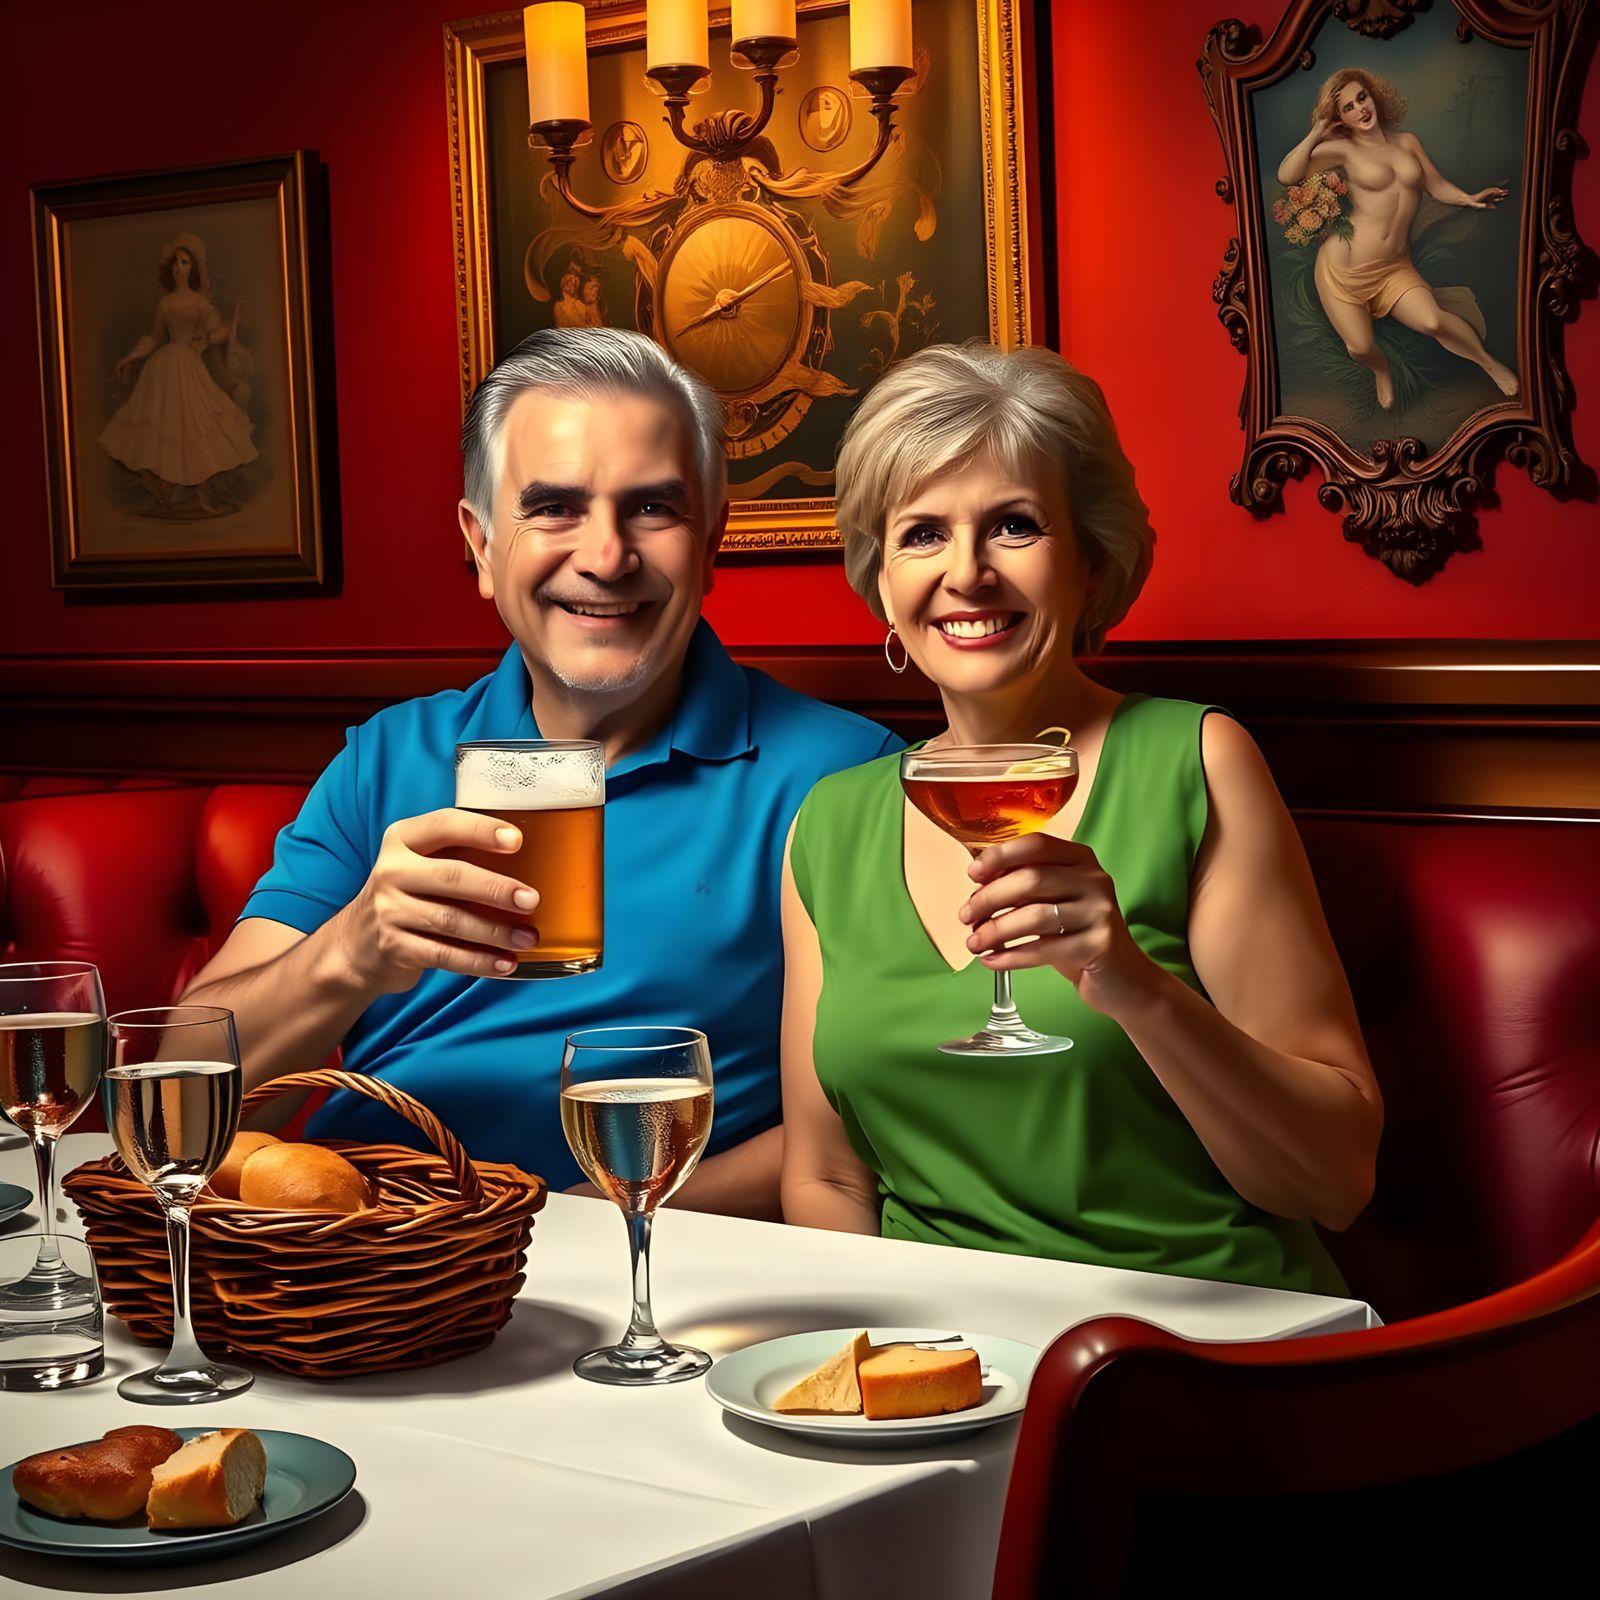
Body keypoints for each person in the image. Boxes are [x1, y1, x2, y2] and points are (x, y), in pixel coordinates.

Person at [180, 327, 897, 1217]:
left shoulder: (844, 776)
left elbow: (874, 1117)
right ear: (481, 548)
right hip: (357, 1265)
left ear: (712, 540)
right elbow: (180, 1094)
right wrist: (352, 953)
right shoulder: (386, 757)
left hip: (648, 1272)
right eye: (554, 507)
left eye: (652, 509)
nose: (605, 556)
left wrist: (568, 1238)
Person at [780, 343, 1381, 1293]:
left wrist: (1132, 984)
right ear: (882, 582)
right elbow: (826, 1175)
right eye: (922, 534)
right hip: (944, 1367)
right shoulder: (831, 823)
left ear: (1092, 567)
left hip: (1198, 1347)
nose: (967, 573)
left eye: (1013, 526)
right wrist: (877, 1364)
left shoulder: (1196, 760)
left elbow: (1335, 1180)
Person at [1276, 67, 1517, 410]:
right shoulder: (1343, 149)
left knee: (1433, 320)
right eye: (1348, 107)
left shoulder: (1408, 142)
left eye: (1362, 97)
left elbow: (1435, 186)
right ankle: (1382, 371)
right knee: (1359, 347)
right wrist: (1317, 132)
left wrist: (1468, 198)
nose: (1361, 108)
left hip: (1393, 267)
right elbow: (1287, 174)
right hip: (1342, 270)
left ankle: (1489, 364)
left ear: (1374, 95)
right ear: (1339, 117)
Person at [100, 232, 257, 513]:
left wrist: (226, 327)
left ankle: (202, 494)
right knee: (164, 426)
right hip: (161, 368)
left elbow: (217, 333)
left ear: (192, 268)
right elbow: (153, 337)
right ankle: (165, 486)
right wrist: (129, 357)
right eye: (175, 262)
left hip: (187, 367)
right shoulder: (166, 304)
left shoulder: (199, 303)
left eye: (184, 262)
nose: (178, 267)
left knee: (192, 425)